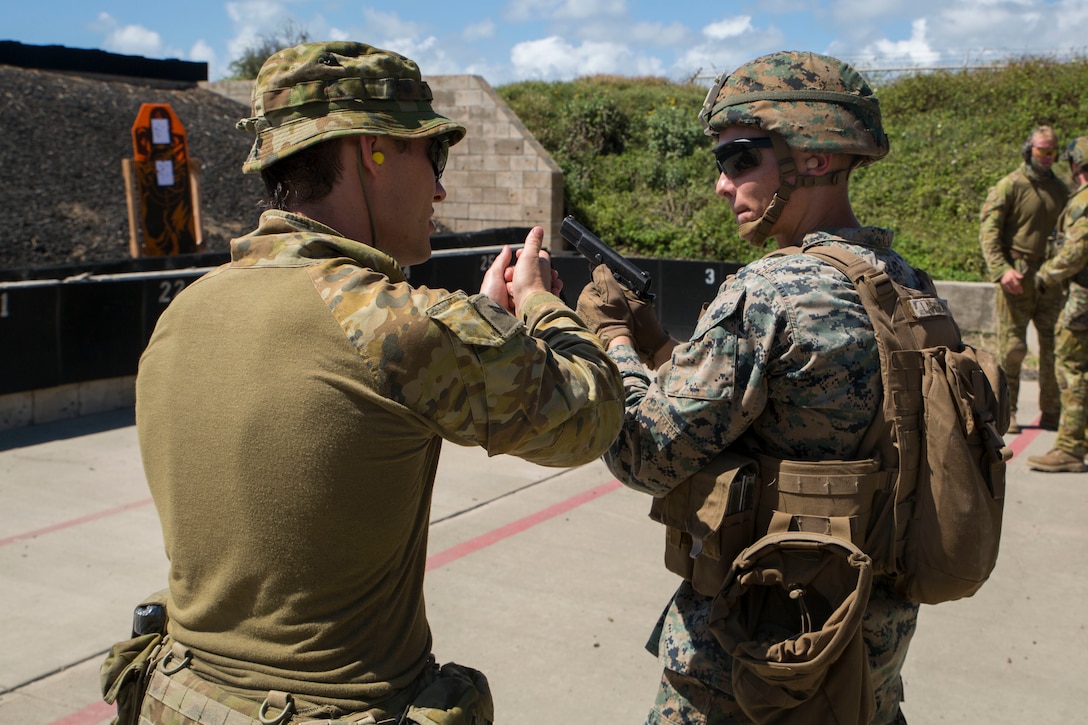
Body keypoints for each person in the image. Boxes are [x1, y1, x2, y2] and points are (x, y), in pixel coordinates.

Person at [131, 41, 623, 724]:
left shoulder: (184, 312)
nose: (441, 188)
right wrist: (540, 304)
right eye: (433, 156)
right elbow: (591, 412)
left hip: (178, 701)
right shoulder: (397, 324)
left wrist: (479, 324)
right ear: (373, 151)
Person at [577, 51, 932, 724]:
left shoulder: (769, 292)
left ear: (816, 157)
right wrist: (661, 349)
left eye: (741, 159)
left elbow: (640, 453)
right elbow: (806, 415)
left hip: (745, 673)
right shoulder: (909, 286)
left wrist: (612, 340)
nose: (722, 184)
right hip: (867, 661)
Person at [979, 125, 1069, 433]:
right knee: (1013, 348)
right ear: (1029, 149)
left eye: (1052, 152)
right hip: (1016, 275)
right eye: (1042, 150)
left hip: (1050, 278)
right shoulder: (1010, 185)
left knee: (1054, 347)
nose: (1047, 157)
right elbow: (988, 231)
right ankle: (1009, 412)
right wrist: (1002, 269)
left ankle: (1052, 413)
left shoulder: (1061, 189)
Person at [1027, 136, 1088, 473]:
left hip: (1081, 297)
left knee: (1072, 369)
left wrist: (1046, 275)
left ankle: (1070, 447)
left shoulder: (1083, 203)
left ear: (1075, 163)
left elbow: (1076, 252)